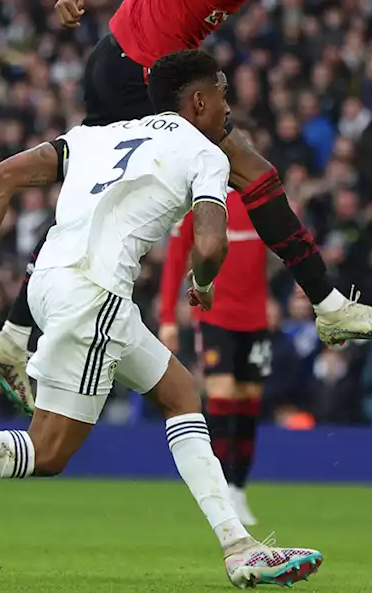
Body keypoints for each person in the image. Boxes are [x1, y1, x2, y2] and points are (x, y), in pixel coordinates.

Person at [0, 51, 323, 588]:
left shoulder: (100, 135)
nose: (229, 109)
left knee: (181, 394)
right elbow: (209, 244)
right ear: (199, 101)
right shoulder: (204, 151)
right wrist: (203, 282)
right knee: (46, 452)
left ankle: (238, 546)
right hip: (95, 294)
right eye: (224, 95)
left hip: (47, 284)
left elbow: (0, 176)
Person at [0, 0, 372, 415]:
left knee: (92, 201)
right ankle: (329, 304)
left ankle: (12, 335)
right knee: (253, 176)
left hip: (137, 66)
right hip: (135, 75)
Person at [159, 190, 270, 526]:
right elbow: (175, 261)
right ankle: (222, 491)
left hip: (256, 319)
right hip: (214, 315)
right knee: (221, 395)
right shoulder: (200, 205)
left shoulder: (258, 201)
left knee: (248, 402)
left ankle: (238, 488)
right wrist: (167, 318)